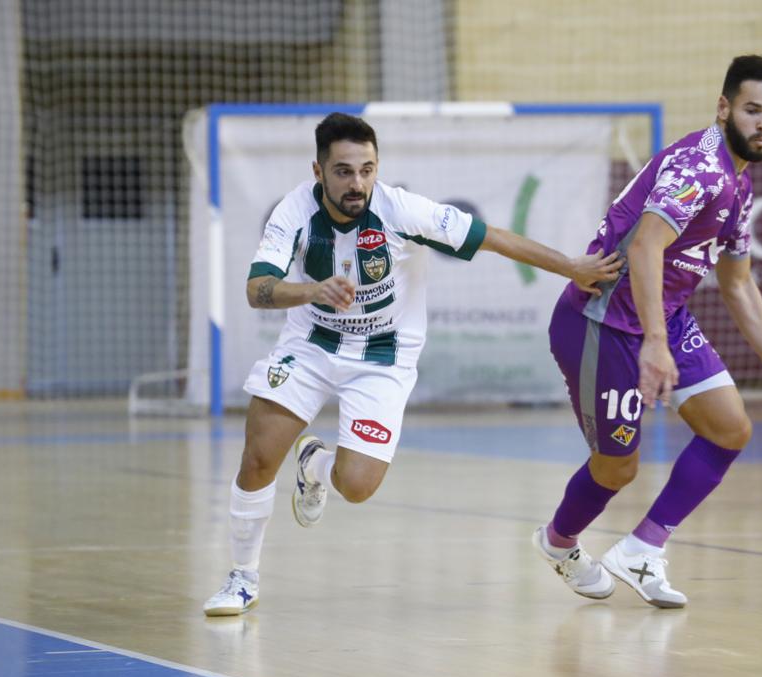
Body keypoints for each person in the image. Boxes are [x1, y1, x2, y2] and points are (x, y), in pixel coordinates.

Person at [203, 112, 622, 616]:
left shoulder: (402, 210)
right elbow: (257, 290)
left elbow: (493, 237)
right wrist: (312, 290)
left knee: (356, 486)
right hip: (311, 345)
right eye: (343, 171)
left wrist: (573, 268)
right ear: (318, 171)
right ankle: (243, 577)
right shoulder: (293, 213)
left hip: (382, 358)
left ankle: (315, 462)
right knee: (258, 456)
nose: (357, 182)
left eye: (367, 169)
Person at [532, 55, 762, 609]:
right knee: (619, 467)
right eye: (752, 110)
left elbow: (738, 285)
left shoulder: (738, 184)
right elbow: (645, 247)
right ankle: (558, 542)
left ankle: (642, 547)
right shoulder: (701, 167)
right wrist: (655, 346)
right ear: (724, 108)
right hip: (600, 322)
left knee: (730, 428)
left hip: (663, 316)